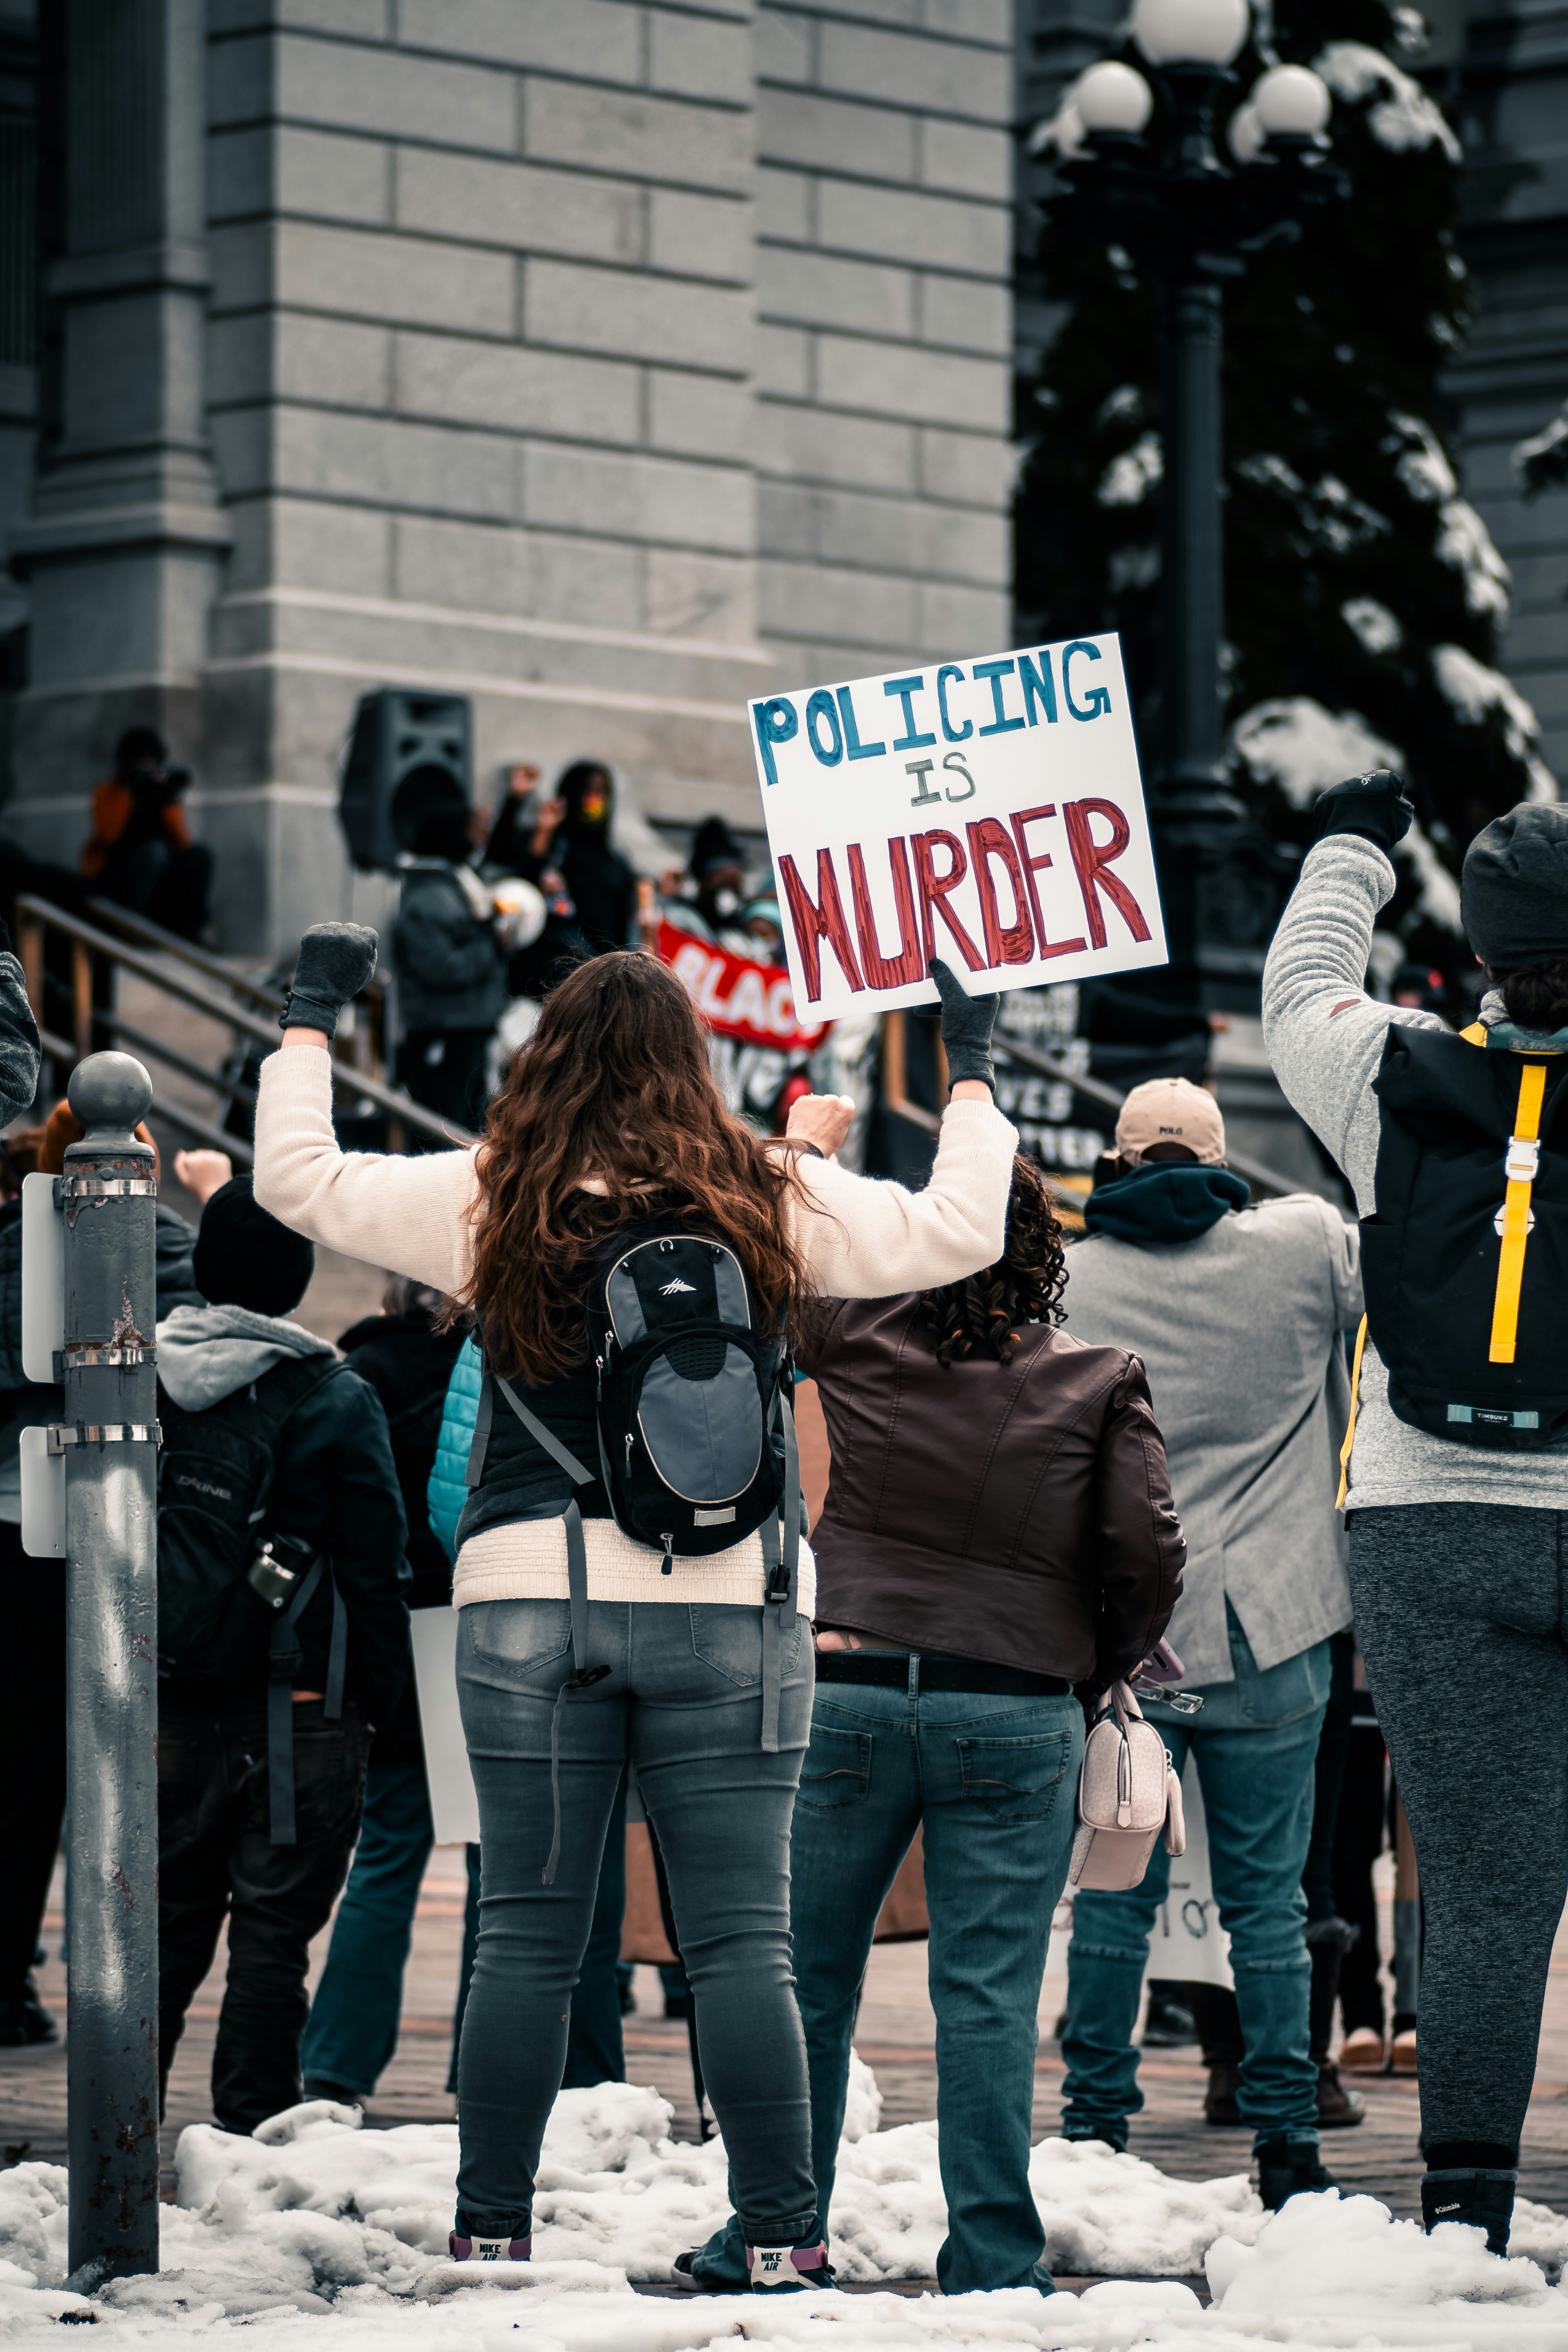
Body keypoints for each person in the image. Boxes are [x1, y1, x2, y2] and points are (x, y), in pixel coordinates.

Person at [253, 929, 1015, 2284]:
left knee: (528, 1930)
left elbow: (297, 1180)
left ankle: (492, 2219)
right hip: (734, 1610)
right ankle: (782, 2233)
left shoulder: (500, 1192)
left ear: (546, 1060)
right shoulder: (768, 1194)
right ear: (692, 1060)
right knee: (742, 1941)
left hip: (525, 1598)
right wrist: (972, 1060)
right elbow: (964, 1228)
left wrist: (313, 1012)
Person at [682, 1155, 1185, 2296]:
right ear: (1042, 1246)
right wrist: (1094, 1666)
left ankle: (772, 2232)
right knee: (988, 1995)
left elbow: (759, 1263)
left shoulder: (847, 1335)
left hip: (844, 1690)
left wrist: (803, 1157)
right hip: (1013, 1705)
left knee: (801, 1977)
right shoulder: (1099, 1376)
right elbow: (1147, 1552)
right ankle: (994, 2259)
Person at [1263, 778, 1568, 2253]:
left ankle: (1462, 2215)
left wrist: (1345, 845)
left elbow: (1297, 988)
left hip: (1428, 1518)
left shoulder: (1384, 1075)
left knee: (1484, 1890)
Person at [1056, 1076, 1361, 2212]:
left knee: (1111, 1889)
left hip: (1132, 1645)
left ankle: (1093, 2125)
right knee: (1267, 1906)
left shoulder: (1073, 1278)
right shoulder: (1299, 1248)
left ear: (1120, 1158)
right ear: (1222, 1153)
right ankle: (1286, 2138)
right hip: (1273, 1626)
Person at [155, 1176, 410, 2133]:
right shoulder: (334, 1394)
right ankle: (248, 2134)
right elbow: (375, 1563)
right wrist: (376, 1705)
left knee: (166, 1925)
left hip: (168, 1695)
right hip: (304, 1703)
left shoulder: (144, 1375)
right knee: (271, 1936)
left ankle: (116, 2128)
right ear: (300, 1277)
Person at [0, 1111, 218, 2048]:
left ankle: (12, 1977)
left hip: (10, 1523)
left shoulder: (8, 1246)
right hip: (126, 1531)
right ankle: (119, 1984)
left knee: (21, 1771)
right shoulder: (176, 1250)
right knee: (121, 1764)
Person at [298, 1277, 467, 2109]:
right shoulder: (506, 1359)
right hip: (486, 1623)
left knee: (387, 1855)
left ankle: (336, 2066)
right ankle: (489, 2068)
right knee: (505, 1867)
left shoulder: (360, 1368)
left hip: (397, 1636)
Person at [391, 805, 510, 1137]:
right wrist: (494, 945)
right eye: (472, 828)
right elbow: (440, 967)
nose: (478, 837)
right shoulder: (430, 897)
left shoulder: (456, 885)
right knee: (444, 1130)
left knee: (467, 1124)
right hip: (443, 1030)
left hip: (464, 1027)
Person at [487, 761, 636, 958]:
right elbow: (504, 855)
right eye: (589, 791)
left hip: (601, 967)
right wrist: (516, 800)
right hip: (551, 965)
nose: (595, 801)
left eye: (602, 792)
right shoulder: (550, 842)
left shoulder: (613, 858)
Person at [82, 726, 213, 940]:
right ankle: (136, 929)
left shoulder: (160, 794)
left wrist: (166, 799)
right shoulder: (108, 793)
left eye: (151, 761)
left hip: (159, 879)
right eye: (140, 761)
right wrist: (131, 793)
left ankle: (191, 930)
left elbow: (182, 842)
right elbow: (108, 835)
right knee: (154, 852)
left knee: (200, 856)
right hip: (117, 875)